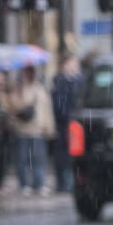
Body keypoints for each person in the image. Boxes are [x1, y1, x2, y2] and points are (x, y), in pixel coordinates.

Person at [5, 66, 54, 197]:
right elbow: (13, 108)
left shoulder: (41, 89)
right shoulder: (18, 89)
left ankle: (39, 183)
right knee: (22, 159)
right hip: (22, 129)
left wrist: (49, 127)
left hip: (38, 129)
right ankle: (25, 184)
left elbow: (47, 110)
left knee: (39, 158)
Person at [49, 54, 84, 194]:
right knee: (62, 155)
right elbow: (59, 104)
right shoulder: (60, 82)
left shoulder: (80, 80)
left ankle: (71, 182)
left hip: (74, 123)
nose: (74, 66)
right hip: (63, 124)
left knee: (73, 155)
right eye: (72, 63)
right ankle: (62, 183)